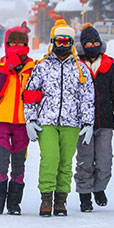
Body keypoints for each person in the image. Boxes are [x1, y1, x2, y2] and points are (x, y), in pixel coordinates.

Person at [23, 19, 94, 217]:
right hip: (47, 121)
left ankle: (61, 200)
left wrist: (88, 122)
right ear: (53, 42)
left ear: (72, 44)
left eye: (66, 41)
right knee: (50, 158)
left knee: (65, 162)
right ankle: (46, 197)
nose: (62, 45)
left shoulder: (80, 69)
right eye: (59, 41)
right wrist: (30, 120)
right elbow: (29, 94)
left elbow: (87, 97)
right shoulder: (42, 66)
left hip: (72, 122)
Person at [74, 24, 114, 212]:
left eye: (95, 42)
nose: (92, 46)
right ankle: (85, 196)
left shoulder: (109, 65)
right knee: (85, 160)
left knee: (105, 161)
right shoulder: (76, 66)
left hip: (105, 121)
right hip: (83, 123)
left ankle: (99, 188)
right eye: (88, 43)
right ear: (82, 45)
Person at [0, 27, 36, 214]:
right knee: (1, 160)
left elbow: (39, 91)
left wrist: (36, 96)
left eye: (20, 43)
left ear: (26, 45)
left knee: (19, 162)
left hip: (23, 123)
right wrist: (7, 70)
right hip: (0, 119)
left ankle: (14, 203)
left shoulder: (33, 67)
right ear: (6, 45)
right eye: (12, 43)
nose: (16, 47)